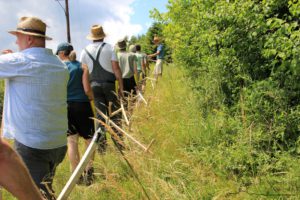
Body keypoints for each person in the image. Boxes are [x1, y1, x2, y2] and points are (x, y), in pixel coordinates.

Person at [0, 16, 68, 199]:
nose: (16, 41)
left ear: (28, 39)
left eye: (18, 37)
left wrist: (7, 58)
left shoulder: (20, 62)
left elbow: (20, 64)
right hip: (58, 144)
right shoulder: (60, 66)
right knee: (45, 188)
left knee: (34, 195)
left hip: (32, 145)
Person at [80, 25, 124, 153]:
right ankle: (119, 144)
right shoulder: (110, 48)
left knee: (100, 117)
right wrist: (121, 86)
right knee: (115, 115)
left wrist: (87, 91)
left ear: (92, 37)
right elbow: (116, 68)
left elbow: (85, 74)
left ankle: (102, 147)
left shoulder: (84, 51)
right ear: (102, 35)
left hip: (94, 86)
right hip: (109, 85)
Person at [56, 42, 95, 186]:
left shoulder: (58, 68)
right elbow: (86, 89)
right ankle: (89, 172)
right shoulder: (82, 66)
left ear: (62, 53)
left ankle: (76, 175)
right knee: (90, 139)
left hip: (65, 106)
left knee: (72, 141)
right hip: (82, 105)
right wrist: (92, 98)